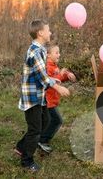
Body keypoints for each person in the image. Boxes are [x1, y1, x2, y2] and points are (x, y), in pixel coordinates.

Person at [15, 20, 70, 172]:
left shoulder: (41, 50)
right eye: (48, 30)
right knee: (35, 129)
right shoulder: (35, 51)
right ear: (40, 33)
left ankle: (20, 147)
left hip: (39, 95)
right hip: (32, 97)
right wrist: (57, 87)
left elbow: (44, 75)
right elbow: (42, 77)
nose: (50, 32)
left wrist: (56, 79)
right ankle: (27, 161)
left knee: (46, 120)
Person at [39, 42, 76, 152]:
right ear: (48, 55)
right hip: (47, 100)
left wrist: (67, 76)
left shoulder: (54, 66)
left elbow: (58, 78)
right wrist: (61, 74)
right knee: (57, 120)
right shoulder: (47, 67)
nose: (59, 55)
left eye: (59, 52)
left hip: (52, 100)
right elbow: (51, 81)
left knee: (48, 121)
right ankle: (43, 140)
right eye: (56, 52)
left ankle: (40, 138)